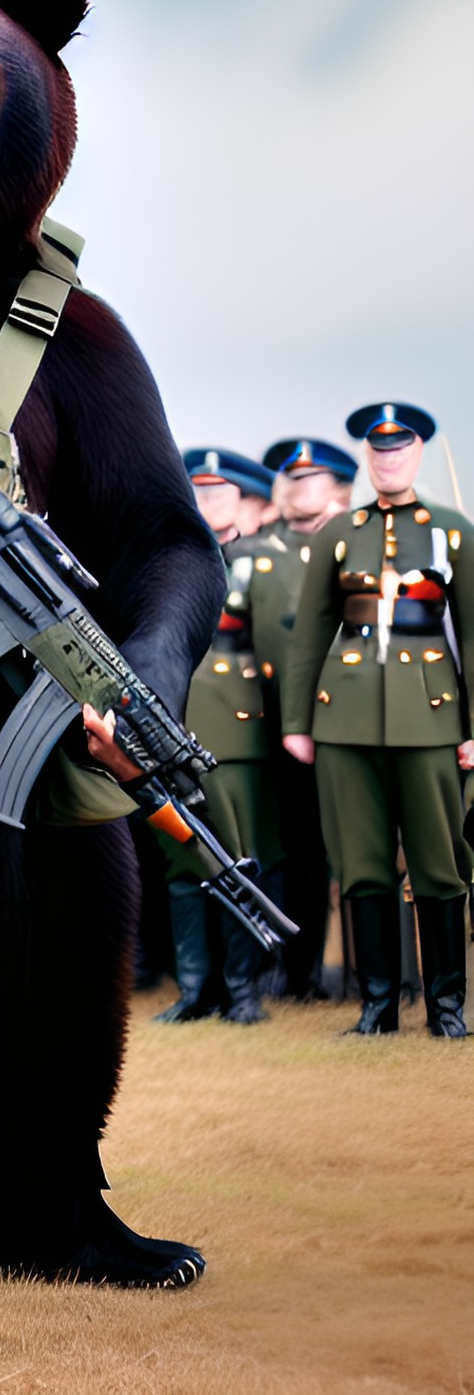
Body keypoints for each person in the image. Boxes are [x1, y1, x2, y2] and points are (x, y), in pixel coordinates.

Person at [282, 403, 474, 1037]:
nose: (388, 457)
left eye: (400, 446)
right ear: (368, 456)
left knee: (438, 863)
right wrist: (296, 722)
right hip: (346, 720)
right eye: (378, 448)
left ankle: (447, 1007)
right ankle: (377, 1008)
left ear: (418, 453)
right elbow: (309, 633)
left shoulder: (451, 530)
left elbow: (471, 636)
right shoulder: (340, 531)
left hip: (431, 717)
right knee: (361, 864)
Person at [152, 450, 283, 1025]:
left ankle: (242, 991)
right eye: (198, 492)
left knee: (239, 860)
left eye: (219, 493)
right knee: (184, 864)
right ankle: (194, 990)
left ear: (241, 502)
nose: (207, 504)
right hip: (170, 727)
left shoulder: (259, 561)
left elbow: (284, 652)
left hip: (237, 732)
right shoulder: (164, 561)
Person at [256, 437, 358, 999]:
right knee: (293, 846)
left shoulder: (356, 546)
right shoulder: (254, 552)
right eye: (290, 479)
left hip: (349, 716)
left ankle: (376, 976)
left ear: (340, 487)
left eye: (310, 477)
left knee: (353, 847)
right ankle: (299, 971)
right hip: (273, 721)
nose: (296, 486)